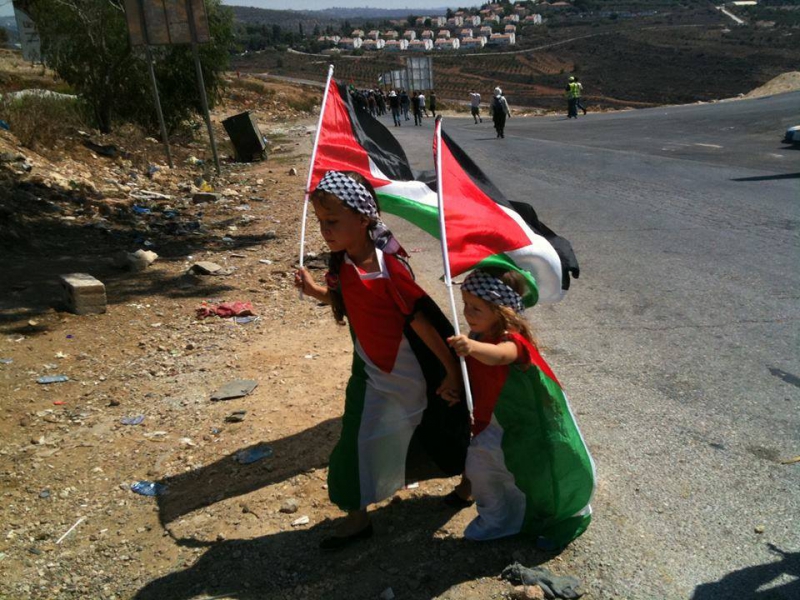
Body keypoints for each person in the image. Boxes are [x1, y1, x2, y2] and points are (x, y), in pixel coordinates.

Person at [295, 171, 469, 550]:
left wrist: (452, 372)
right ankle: (357, 515)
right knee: (362, 438)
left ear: (363, 219)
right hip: (368, 365)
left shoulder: (387, 268)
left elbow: (422, 323)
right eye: (322, 222)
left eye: (333, 221)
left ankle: (469, 482)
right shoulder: (342, 260)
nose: (325, 230)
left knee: (411, 429)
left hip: (397, 372)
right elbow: (349, 305)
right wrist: (315, 292)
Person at [447, 268, 595, 549]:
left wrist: (471, 347)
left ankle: (545, 516)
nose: (467, 312)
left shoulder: (512, 340)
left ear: (501, 310)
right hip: (489, 422)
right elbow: (474, 372)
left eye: (476, 307)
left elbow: (501, 357)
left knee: (527, 476)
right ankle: (496, 520)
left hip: (520, 426)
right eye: (465, 304)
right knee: (482, 470)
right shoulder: (478, 333)